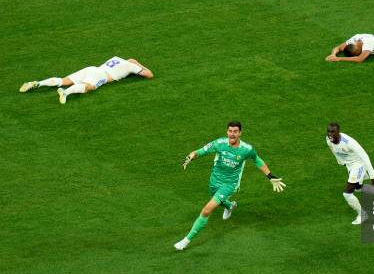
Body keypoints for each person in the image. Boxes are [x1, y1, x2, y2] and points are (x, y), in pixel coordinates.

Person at [174, 121, 286, 251]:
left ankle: (186, 240)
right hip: (214, 181)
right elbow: (200, 151)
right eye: (230, 131)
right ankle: (230, 206)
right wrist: (189, 157)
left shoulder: (246, 149)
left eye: (235, 132)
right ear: (227, 132)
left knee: (207, 210)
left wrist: (270, 176)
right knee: (216, 199)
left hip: (229, 184)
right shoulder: (219, 143)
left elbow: (257, 160)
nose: (232, 134)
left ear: (240, 133)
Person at [326, 122, 374, 225]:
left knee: (347, 194)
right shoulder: (328, 139)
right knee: (358, 188)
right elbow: (333, 150)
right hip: (350, 166)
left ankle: (362, 214)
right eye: (329, 131)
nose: (330, 134)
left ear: (338, 132)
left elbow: (365, 156)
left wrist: (372, 176)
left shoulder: (349, 142)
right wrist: (340, 161)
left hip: (358, 164)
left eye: (333, 132)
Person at [19, 56, 154, 104]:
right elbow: (149, 75)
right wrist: (139, 65)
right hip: (101, 75)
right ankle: (65, 93)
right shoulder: (130, 66)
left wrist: (133, 61)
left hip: (91, 68)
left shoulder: (117, 58)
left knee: (63, 80)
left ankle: (38, 83)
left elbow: (130, 59)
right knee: (89, 87)